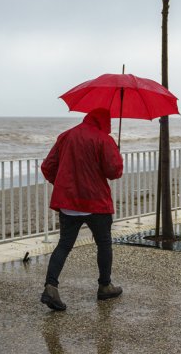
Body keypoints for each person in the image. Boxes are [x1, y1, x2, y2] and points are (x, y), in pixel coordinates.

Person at [40, 108, 124, 311]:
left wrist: (64, 186)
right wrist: (116, 154)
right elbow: (114, 172)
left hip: (68, 203)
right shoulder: (104, 139)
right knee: (104, 243)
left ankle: (51, 287)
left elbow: (48, 167)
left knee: (64, 245)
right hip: (96, 203)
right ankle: (104, 286)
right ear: (104, 121)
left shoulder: (66, 136)